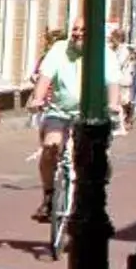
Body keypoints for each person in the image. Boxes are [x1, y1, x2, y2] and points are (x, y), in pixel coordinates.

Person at [28, 25, 86, 222]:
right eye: (75, 29)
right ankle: (49, 195)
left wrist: (114, 103)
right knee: (50, 147)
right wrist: (37, 98)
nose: (77, 33)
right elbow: (45, 76)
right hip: (59, 111)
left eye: (83, 30)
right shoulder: (59, 49)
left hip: (88, 114)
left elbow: (110, 80)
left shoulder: (102, 52)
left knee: (92, 157)